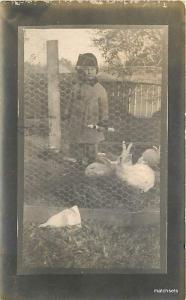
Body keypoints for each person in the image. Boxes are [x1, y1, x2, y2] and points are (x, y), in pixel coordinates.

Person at [64, 53, 109, 165]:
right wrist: (67, 114)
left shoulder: (100, 89)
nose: (89, 72)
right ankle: (78, 163)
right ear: (81, 71)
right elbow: (70, 102)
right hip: (77, 122)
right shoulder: (76, 87)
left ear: (96, 70)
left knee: (91, 146)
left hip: (92, 122)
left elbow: (104, 107)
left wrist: (103, 121)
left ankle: (91, 164)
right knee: (77, 145)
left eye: (92, 69)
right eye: (86, 69)